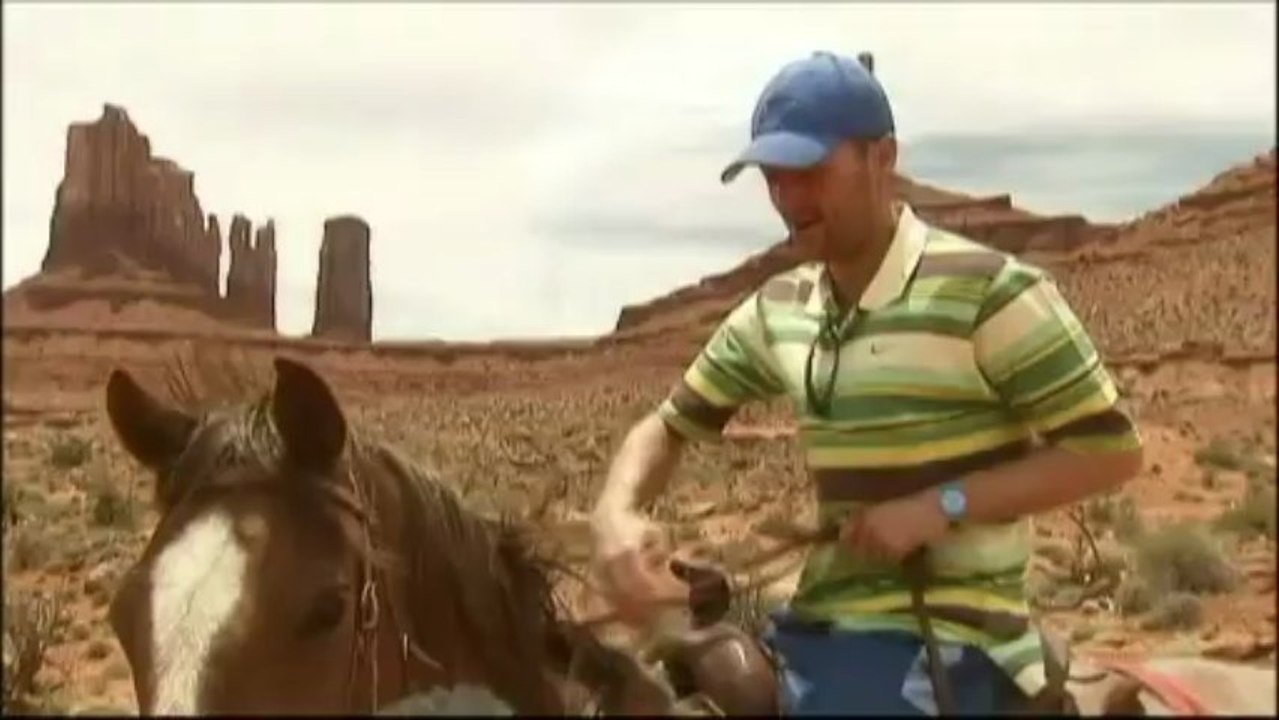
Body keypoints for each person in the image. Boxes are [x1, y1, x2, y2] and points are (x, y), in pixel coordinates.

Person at [589, 50, 1145, 715]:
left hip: (953, 632)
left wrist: (941, 506)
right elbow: (667, 425)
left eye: (810, 173)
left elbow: (1109, 452)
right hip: (819, 623)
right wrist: (615, 513)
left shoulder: (990, 291)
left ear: (882, 159)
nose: (787, 200)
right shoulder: (779, 307)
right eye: (772, 178)